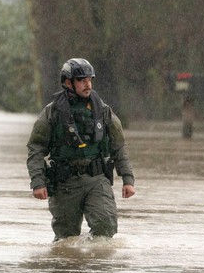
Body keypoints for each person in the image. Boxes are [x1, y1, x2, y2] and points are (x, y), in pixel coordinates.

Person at [26, 58, 136, 241]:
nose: (88, 84)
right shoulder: (52, 113)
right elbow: (36, 149)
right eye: (82, 80)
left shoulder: (103, 111)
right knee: (65, 239)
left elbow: (119, 147)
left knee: (105, 227)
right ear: (68, 82)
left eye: (90, 79)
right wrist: (38, 182)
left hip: (97, 179)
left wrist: (128, 179)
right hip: (64, 183)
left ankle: (95, 264)